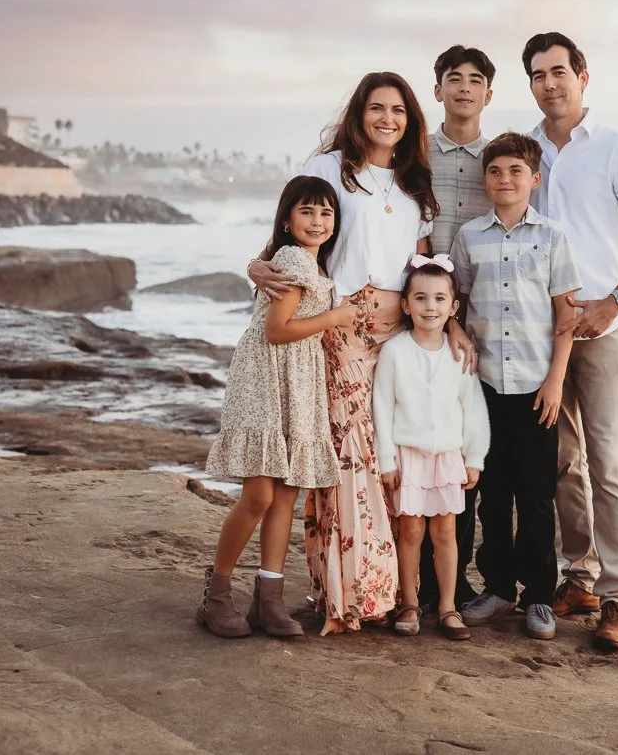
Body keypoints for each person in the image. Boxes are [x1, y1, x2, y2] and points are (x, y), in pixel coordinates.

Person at [247, 71, 477, 633]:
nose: (387, 119)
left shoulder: (415, 181)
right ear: (359, 113)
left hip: (398, 334)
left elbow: (423, 264)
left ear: (410, 119)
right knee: (351, 456)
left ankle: (389, 591)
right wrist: (256, 266)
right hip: (343, 330)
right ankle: (347, 595)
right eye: (377, 108)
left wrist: (449, 323)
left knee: (390, 453)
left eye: (398, 110)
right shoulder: (332, 168)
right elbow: (293, 230)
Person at [524, 32, 618, 651]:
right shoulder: (523, 151)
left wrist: (617, 300)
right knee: (561, 462)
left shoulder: (614, 147)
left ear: (583, 76)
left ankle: (617, 598)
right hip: (541, 330)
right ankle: (579, 577)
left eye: (559, 71)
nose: (549, 84)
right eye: (538, 75)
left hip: (604, 327)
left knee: (608, 462)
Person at [197, 175, 353, 638]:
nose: (317, 221)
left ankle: (269, 600)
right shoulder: (292, 259)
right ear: (286, 219)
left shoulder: (312, 263)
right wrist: (335, 317)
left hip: (298, 380)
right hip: (266, 379)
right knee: (260, 496)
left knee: (286, 494)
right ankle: (216, 595)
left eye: (326, 213)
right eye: (307, 211)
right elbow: (276, 330)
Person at [450, 132, 581, 641]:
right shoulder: (469, 236)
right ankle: (499, 587)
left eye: (515, 171)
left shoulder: (552, 236)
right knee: (492, 494)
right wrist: (457, 331)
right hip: (483, 387)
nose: (505, 180)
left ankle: (539, 595)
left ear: (534, 179)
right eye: (496, 171)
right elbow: (458, 301)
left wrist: (555, 382)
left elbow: (566, 317)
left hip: (535, 388)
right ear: (485, 179)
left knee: (536, 496)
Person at [373, 255, 490, 640]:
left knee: (446, 534)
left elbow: (472, 408)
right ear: (406, 305)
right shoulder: (395, 351)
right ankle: (409, 603)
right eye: (421, 298)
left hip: (448, 457)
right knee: (409, 532)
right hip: (407, 456)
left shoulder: (458, 354)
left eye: (440, 299)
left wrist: (474, 457)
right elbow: (381, 405)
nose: (430, 307)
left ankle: (447, 607)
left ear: (453, 307)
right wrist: (386, 459)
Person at [419, 44, 497, 614]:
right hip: (425, 312)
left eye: (475, 80)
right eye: (454, 78)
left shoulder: (500, 158)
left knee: (469, 446)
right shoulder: (416, 153)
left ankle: (463, 579)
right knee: (424, 438)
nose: (464, 87)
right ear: (438, 89)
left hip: (486, 316)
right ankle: (418, 581)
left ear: (489, 94)